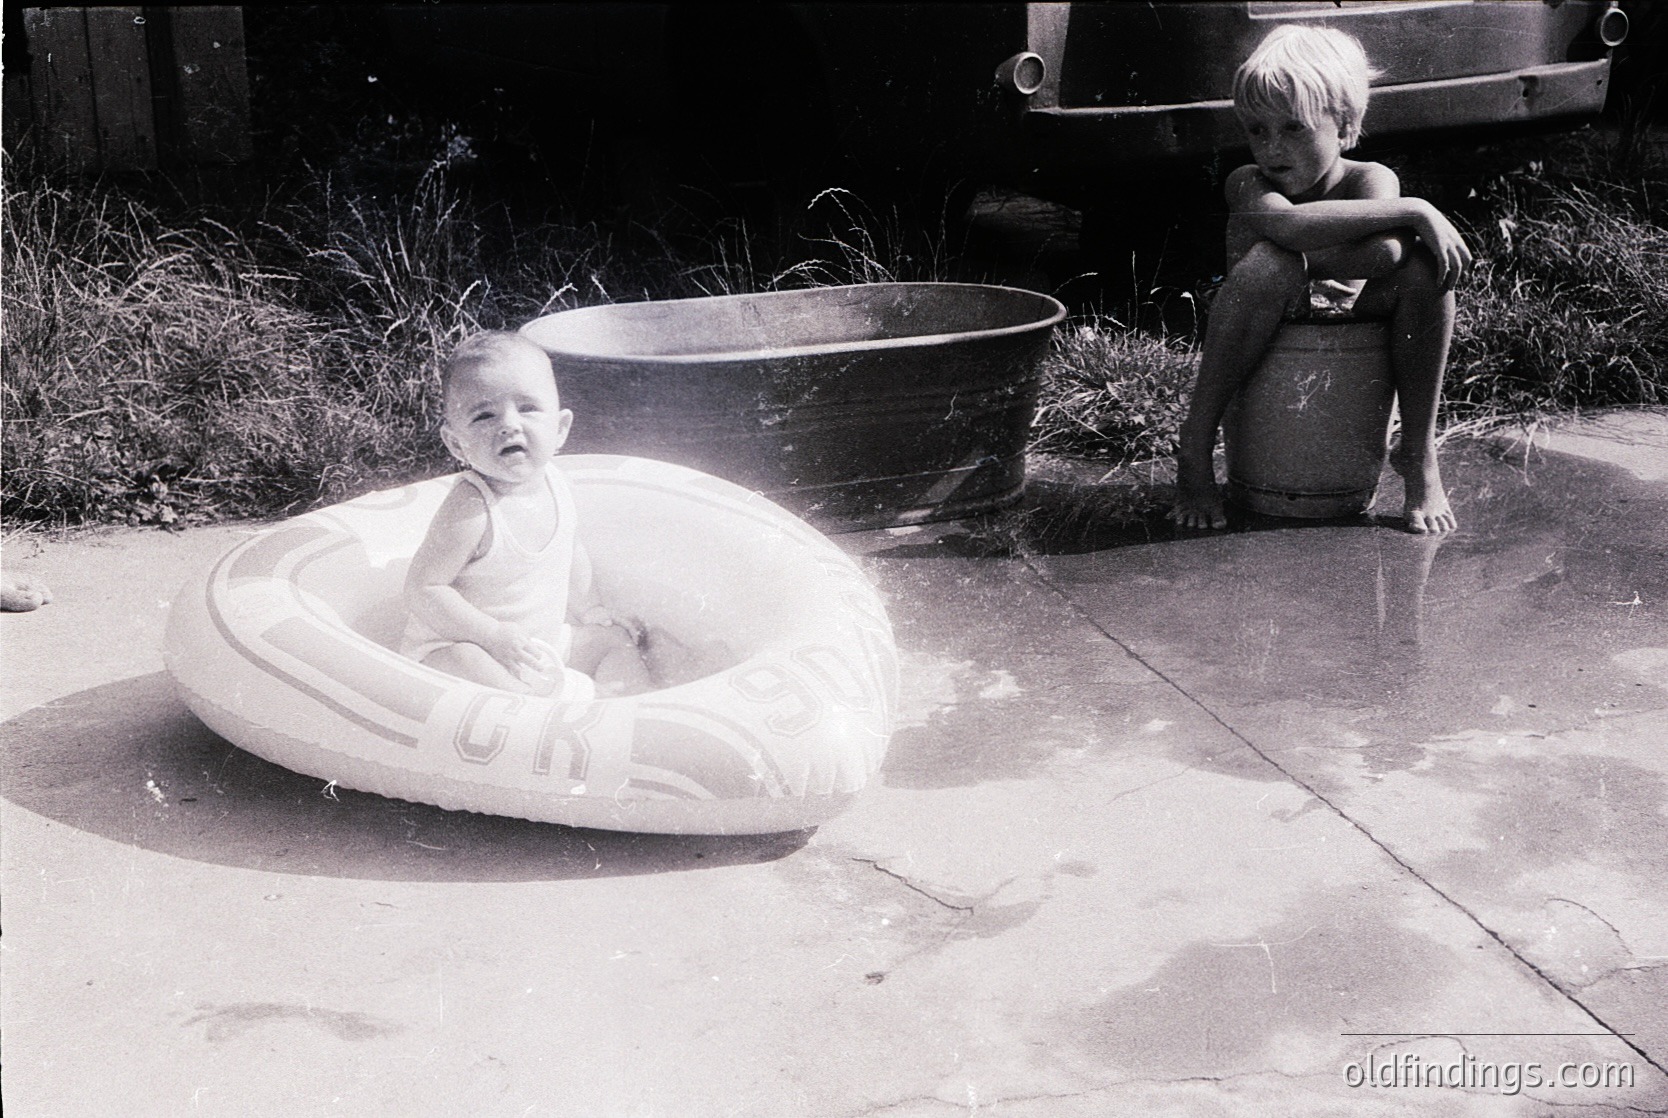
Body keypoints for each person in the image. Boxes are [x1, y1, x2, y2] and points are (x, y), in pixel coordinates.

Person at [1171, 24, 1471, 535]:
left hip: (1348, 333)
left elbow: (1387, 252)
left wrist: (1313, 254)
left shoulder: (1371, 179)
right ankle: (1195, 444)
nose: (1271, 148)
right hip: (1263, 339)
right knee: (1272, 262)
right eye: (1256, 129)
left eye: (1293, 127)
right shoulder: (1248, 182)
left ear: (1344, 123)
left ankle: (1418, 451)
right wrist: (1417, 209)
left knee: (1423, 270)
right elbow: (1287, 226)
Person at [401, 331, 651, 696]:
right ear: (456, 443)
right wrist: (492, 635)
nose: (509, 424)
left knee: (615, 642)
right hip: (464, 648)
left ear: (561, 428)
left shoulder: (557, 485)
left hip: (536, 646)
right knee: (466, 661)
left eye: (528, 408)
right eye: (484, 415)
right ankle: (544, 713)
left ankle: (630, 711)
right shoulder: (472, 507)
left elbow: (571, 554)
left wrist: (593, 611)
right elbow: (424, 589)